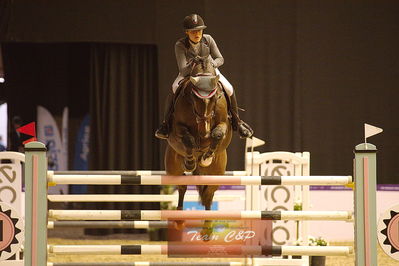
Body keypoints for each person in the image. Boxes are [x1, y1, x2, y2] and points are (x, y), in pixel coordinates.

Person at [155, 14, 253, 139]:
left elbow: (220, 58)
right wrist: (193, 64)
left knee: (229, 88)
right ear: (187, 32)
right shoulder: (180, 45)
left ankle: (238, 122)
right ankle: (165, 125)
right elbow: (183, 70)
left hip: (210, 70)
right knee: (174, 88)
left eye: (199, 31)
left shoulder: (208, 39)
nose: (197, 34)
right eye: (193, 31)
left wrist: (212, 63)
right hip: (190, 73)